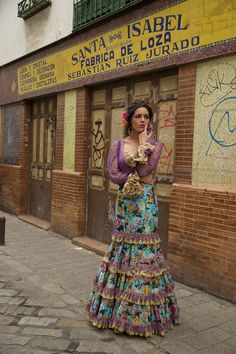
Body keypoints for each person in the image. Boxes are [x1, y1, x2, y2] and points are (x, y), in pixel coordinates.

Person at [86, 101, 180, 337]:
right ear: (129, 120)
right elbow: (112, 172)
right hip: (125, 202)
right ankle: (114, 309)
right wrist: (127, 176)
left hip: (145, 202)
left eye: (146, 117)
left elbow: (147, 170)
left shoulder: (155, 145)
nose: (142, 120)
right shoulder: (118, 145)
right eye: (138, 116)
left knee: (144, 249)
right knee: (122, 245)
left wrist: (142, 146)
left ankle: (142, 313)